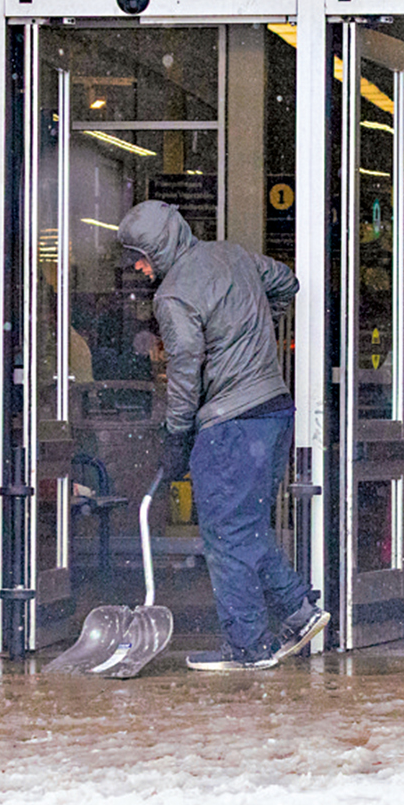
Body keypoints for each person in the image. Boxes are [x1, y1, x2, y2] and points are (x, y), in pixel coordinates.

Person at [117, 200, 329, 671]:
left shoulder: (172, 296)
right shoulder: (233, 256)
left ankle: (250, 646)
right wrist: (250, 324)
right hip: (273, 412)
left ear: (158, 245)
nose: (136, 264)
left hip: (229, 424)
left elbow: (185, 372)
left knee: (225, 533)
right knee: (244, 526)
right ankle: (297, 612)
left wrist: (175, 436)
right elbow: (286, 282)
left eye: (139, 254)